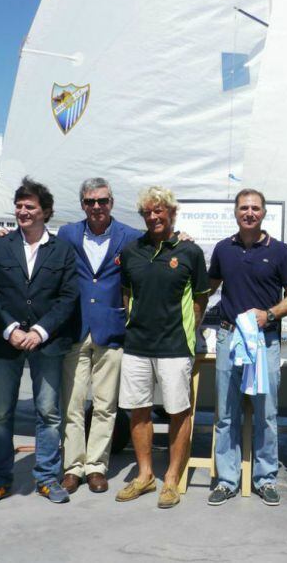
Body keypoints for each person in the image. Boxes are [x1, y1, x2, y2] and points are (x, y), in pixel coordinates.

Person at [0, 178, 79, 507]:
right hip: (5, 343)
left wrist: (40, 332)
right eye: (19, 206)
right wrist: (10, 329)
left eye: (30, 206)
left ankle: (47, 477)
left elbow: (69, 296)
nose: (22, 211)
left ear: (45, 212)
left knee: (48, 413)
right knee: (1, 414)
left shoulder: (62, 249)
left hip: (47, 344)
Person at [114, 186, 209, 509]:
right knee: (137, 410)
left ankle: (170, 479)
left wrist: (188, 331)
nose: (154, 216)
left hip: (174, 346)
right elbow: (127, 295)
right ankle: (144, 476)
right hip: (137, 345)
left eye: (159, 210)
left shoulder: (190, 252)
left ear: (171, 212)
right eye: (147, 212)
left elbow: (200, 299)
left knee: (178, 412)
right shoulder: (131, 251)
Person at [207, 188, 287, 507]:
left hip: (265, 342)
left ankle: (265, 479)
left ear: (263, 213)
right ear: (235, 213)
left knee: (266, 413)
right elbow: (208, 287)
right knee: (226, 412)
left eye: (255, 208)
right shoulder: (223, 249)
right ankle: (227, 479)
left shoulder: (280, 251)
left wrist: (271, 313)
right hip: (228, 338)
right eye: (244, 208)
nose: (249, 213)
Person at [56, 178, 140, 494]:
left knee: (106, 405)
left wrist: (180, 238)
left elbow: (156, 251)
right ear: (82, 205)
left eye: (102, 201)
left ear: (111, 202)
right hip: (75, 329)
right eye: (90, 202)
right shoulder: (67, 234)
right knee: (73, 403)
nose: (96, 207)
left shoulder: (130, 236)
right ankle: (73, 467)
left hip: (112, 330)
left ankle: (96, 467)